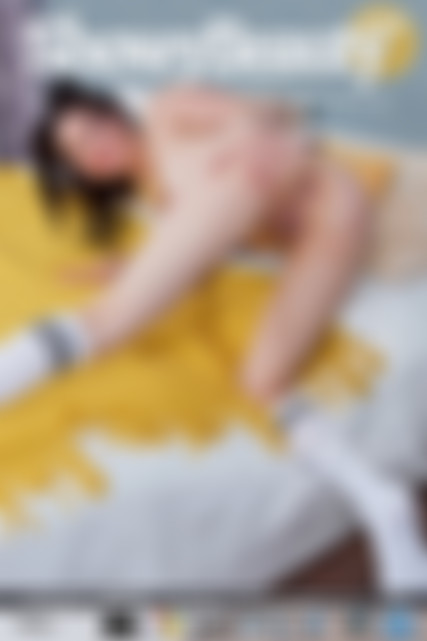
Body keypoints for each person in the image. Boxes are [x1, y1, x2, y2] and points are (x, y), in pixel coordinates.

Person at [0, 79, 426, 594]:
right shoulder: (154, 196)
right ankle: (382, 503)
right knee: (263, 381)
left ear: (114, 113)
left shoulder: (166, 112)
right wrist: (139, 266)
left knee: (105, 323)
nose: (97, 147)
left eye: (93, 128)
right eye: (79, 152)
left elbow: (275, 104)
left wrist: (245, 134)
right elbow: (201, 237)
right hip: (327, 219)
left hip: (291, 179)